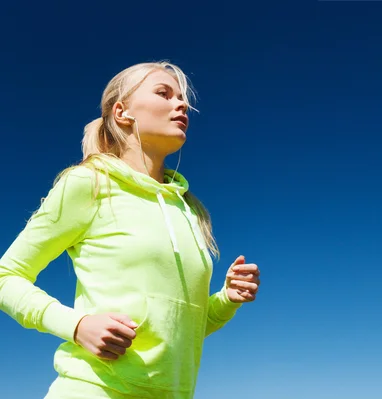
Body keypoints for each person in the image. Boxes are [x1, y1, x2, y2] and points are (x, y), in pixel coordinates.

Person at [0, 61, 261, 399]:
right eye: (163, 94)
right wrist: (77, 326)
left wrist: (226, 299)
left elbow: (179, 329)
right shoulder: (88, 184)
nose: (181, 104)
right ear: (122, 112)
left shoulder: (189, 210)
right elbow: (6, 277)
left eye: (182, 98)